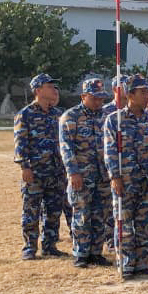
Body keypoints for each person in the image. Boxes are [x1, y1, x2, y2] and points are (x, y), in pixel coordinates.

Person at [103, 74, 148, 280]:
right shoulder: (115, 120)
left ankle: (143, 262)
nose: (147, 96)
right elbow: (109, 151)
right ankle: (126, 263)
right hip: (125, 179)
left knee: (145, 223)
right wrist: (114, 177)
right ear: (130, 94)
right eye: (142, 92)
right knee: (124, 222)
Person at [59, 78, 113, 268]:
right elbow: (66, 148)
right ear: (83, 96)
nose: (99, 102)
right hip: (82, 174)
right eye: (94, 98)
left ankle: (96, 252)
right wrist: (73, 173)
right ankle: (81, 253)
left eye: (101, 98)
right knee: (82, 214)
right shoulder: (70, 117)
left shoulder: (107, 116)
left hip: (103, 175)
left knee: (101, 215)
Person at [14, 73, 68, 260]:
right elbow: (20, 143)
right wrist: (24, 167)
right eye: (49, 86)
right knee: (31, 210)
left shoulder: (58, 114)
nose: (54, 89)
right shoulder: (25, 114)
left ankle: (50, 245)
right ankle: (29, 247)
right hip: (35, 171)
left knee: (53, 210)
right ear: (38, 90)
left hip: (56, 171)